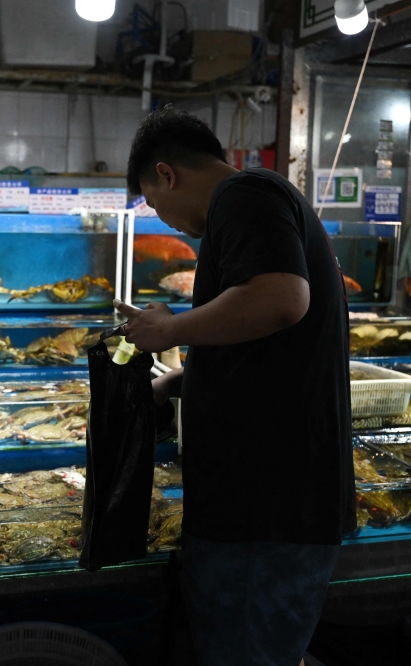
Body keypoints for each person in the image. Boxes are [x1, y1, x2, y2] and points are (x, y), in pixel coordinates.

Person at [113, 107, 354, 666]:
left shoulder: (244, 196)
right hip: (262, 501)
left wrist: (168, 329)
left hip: (269, 508)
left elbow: (280, 300)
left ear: (167, 174)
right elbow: (262, 348)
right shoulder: (251, 203)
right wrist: (179, 379)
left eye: (154, 204)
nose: (164, 220)